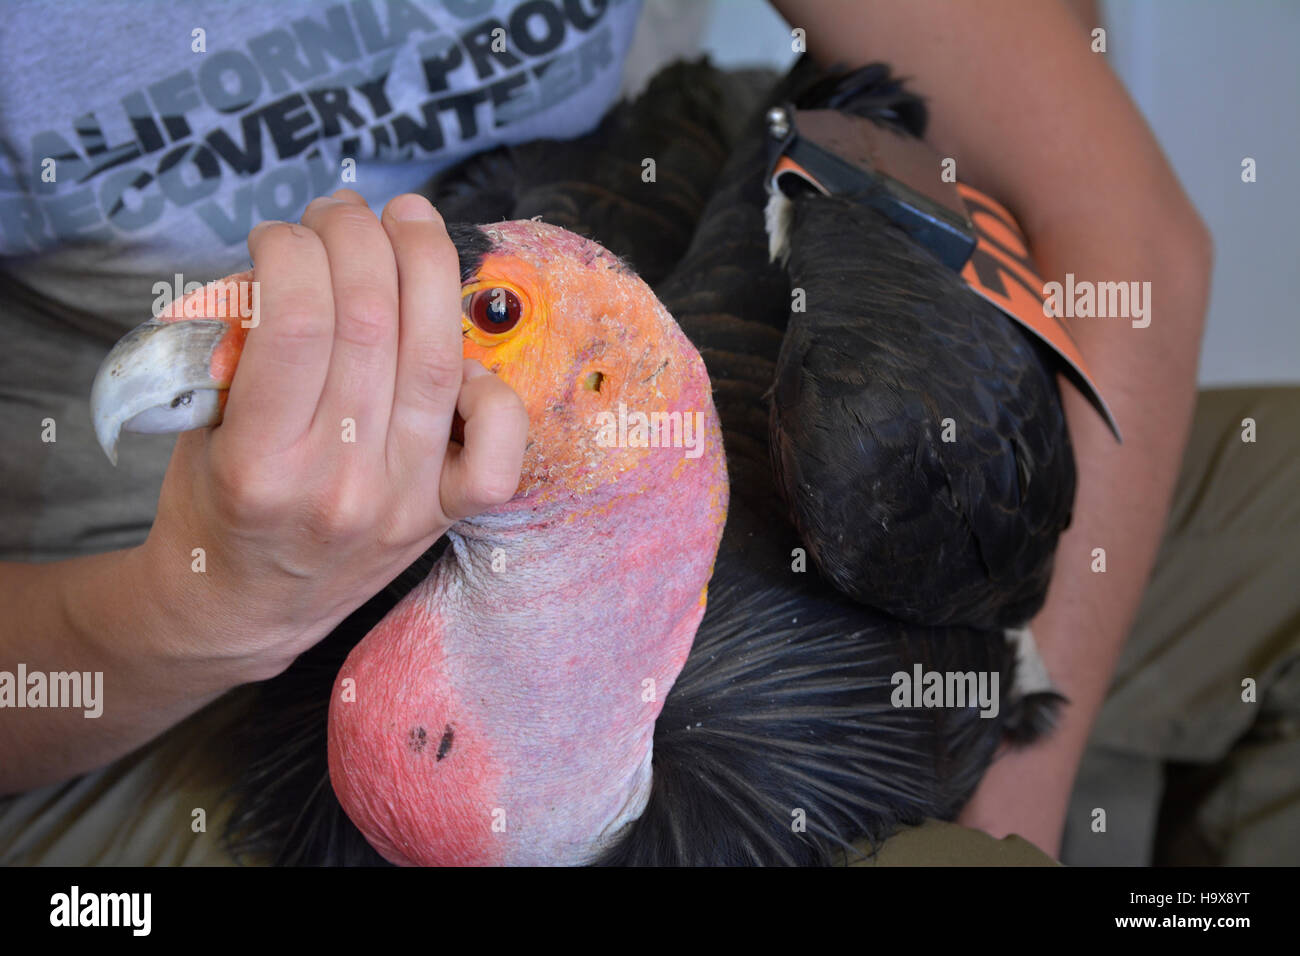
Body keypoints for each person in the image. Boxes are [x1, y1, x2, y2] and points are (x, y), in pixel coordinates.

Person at [0, 0, 1225, 863]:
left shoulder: (874, 447)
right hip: (123, 603)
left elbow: (1125, 229)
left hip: (609, 355)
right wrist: (192, 613)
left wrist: (1008, 804)